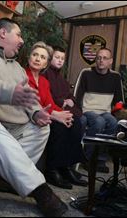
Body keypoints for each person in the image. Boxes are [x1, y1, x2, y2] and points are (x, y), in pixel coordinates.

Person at [0, 18, 68, 217]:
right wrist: (10, 94)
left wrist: (36, 112)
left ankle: (6, 178)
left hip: (14, 126)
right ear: (3, 33)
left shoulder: (17, 68)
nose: (21, 41)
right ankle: (40, 191)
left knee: (43, 127)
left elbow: (29, 97)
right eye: (18, 35)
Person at [26, 42, 87, 189]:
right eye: (35, 55)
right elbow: (33, 104)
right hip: (31, 114)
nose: (38, 59)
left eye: (42, 57)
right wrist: (56, 115)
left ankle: (66, 167)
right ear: (29, 57)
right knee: (59, 127)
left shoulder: (44, 81)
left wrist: (62, 114)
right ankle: (52, 170)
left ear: (46, 62)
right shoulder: (23, 75)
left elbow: (50, 103)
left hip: (47, 112)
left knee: (74, 121)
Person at [76, 48, 124, 173]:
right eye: (98, 58)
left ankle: (101, 159)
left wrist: (121, 111)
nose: (101, 60)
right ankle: (88, 158)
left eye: (105, 58)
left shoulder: (115, 76)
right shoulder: (86, 73)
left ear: (110, 61)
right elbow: (77, 95)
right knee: (99, 122)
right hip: (88, 109)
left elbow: (119, 100)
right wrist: (78, 110)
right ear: (95, 60)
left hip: (105, 111)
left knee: (113, 122)